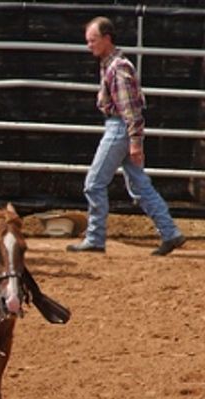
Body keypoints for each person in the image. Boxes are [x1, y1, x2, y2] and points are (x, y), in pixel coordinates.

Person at [67, 17, 185, 256]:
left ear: (107, 39)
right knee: (140, 185)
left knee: (94, 183)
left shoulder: (117, 68)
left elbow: (130, 109)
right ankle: (170, 232)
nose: (89, 45)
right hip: (121, 129)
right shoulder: (114, 65)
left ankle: (95, 237)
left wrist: (134, 141)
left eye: (93, 40)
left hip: (118, 129)